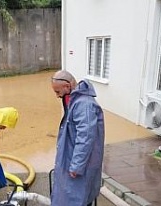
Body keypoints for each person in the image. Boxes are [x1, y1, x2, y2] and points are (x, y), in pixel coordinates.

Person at [50, 70, 105, 206]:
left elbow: (85, 137)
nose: (57, 96)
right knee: (70, 196)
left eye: (57, 92)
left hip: (80, 166)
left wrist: (76, 166)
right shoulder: (74, 101)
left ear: (67, 87)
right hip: (72, 158)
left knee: (76, 198)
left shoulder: (84, 105)